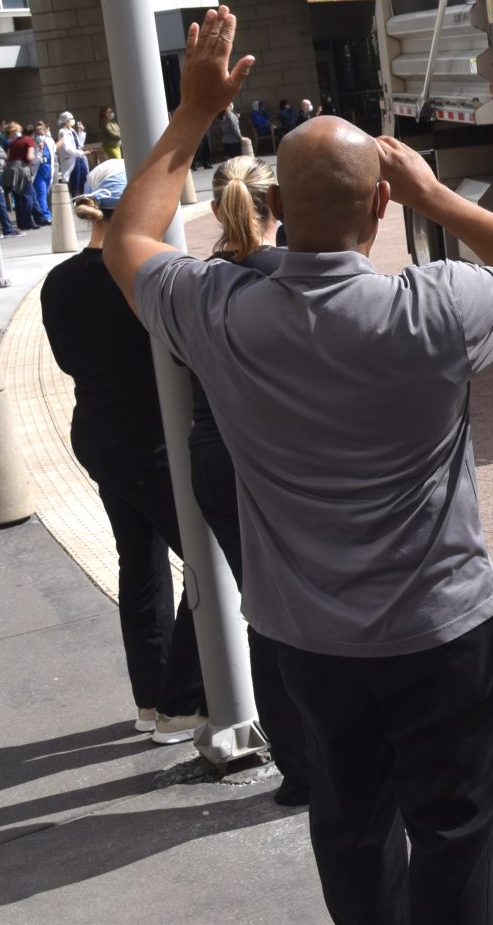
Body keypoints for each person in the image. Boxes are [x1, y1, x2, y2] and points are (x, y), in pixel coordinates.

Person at [106, 8, 493, 925]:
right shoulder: (435, 311)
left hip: (307, 639)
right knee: (457, 830)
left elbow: (128, 239)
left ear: (275, 210)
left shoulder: (221, 311)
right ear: (381, 208)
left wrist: (196, 111)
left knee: (351, 827)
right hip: (443, 630)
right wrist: (436, 195)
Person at [40, 161, 206, 744]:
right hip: (153, 443)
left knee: (139, 563)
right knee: (210, 569)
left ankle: (151, 698)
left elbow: (65, 361)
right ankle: (182, 704)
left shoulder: (59, 281)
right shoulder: (147, 276)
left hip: (100, 435)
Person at [182, 155, 310, 805]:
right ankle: (323, 756)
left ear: (214, 209)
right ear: (276, 206)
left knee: (261, 610)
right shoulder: (287, 276)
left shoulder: (198, 283)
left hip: (211, 452)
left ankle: (295, 762)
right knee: (303, 607)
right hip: (276, 458)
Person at [55, 113, 90, 198]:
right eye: (70, 119)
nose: (72, 121)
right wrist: (81, 153)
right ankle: (74, 199)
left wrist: (80, 132)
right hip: (72, 159)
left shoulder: (72, 130)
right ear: (65, 121)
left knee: (84, 178)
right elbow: (67, 148)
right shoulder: (62, 132)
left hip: (79, 157)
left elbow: (79, 144)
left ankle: (83, 197)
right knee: (75, 181)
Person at [31, 122, 56, 224]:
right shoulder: (33, 145)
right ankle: (46, 217)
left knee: (45, 194)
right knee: (41, 194)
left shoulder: (50, 142)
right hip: (38, 174)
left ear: (45, 134)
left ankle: (44, 215)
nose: (40, 137)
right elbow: (34, 161)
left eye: (42, 134)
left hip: (48, 172)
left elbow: (52, 155)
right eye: (38, 134)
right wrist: (40, 151)